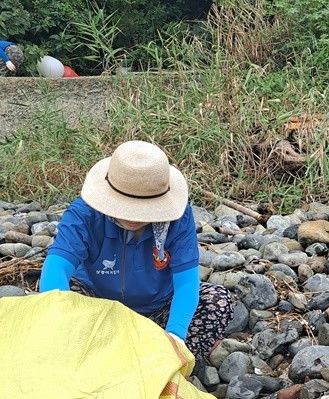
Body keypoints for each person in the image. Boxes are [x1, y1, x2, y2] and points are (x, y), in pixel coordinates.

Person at [39, 140, 235, 365]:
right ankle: (89, 357)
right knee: (56, 300)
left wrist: (175, 337)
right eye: (126, 206)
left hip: (157, 313)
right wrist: (65, 324)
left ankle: (159, 365)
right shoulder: (85, 213)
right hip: (97, 308)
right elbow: (56, 267)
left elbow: (186, 284)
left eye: (142, 208)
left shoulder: (178, 219)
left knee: (217, 301)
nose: (133, 217)